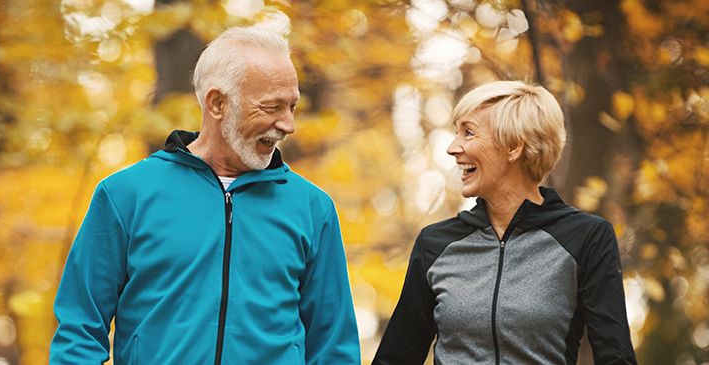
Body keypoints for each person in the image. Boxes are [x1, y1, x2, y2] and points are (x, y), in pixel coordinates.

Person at [50, 26, 360, 365]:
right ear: (217, 103)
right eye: (272, 107)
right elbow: (79, 331)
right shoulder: (125, 195)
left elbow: (334, 347)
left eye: (292, 107)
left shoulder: (313, 209)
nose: (287, 124)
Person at [372, 81, 637, 364]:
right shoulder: (435, 244)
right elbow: (395, 358)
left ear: (513, 147)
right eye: (455, 132)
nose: (452, 148)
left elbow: (615, 357)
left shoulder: (586, 238)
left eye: (468, 132)